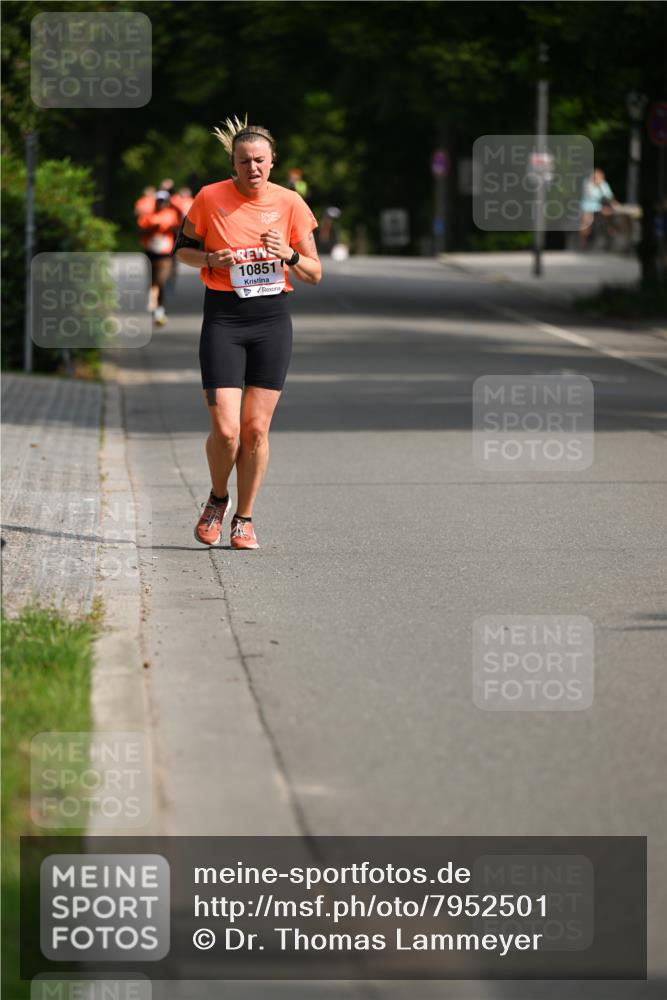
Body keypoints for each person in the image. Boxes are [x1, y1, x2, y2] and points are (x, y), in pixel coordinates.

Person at [174, 116, 321, 550]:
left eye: (259, 160)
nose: (252, 167)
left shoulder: (291, 203)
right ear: (233, 164)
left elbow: (315, 273)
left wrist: (289, 254)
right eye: (244, 161)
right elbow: (182, 250)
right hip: (224, 319)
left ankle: (245, 517)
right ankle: (218, 498)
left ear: (272, 162)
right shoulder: (209, 197)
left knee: (255, 430)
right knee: (226, 430)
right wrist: (209, 260)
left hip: (271, 322)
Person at [137, 189, 181, 325]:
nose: (162, 204)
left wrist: (171, 229)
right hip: (151, 253)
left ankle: (156, 307)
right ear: (155, 202)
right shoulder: (148, 216)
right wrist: (153, 229)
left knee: (160, 280)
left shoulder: (172, 214)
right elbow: (140, 233)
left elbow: (179, 230)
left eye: (164, 201)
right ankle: (157, 309)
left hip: (166, 254)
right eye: (159, 201)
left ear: (168, 202)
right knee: (153, 280)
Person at [579, 169, 620, 250]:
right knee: (586, 221)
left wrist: (615, 204)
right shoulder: (587, 183)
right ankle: (584, 240)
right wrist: (598, 186)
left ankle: (610, 230)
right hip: (587, 206)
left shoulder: (604, 184)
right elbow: (591, 195)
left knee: (609, 213)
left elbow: (609, 197)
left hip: (599, 207)